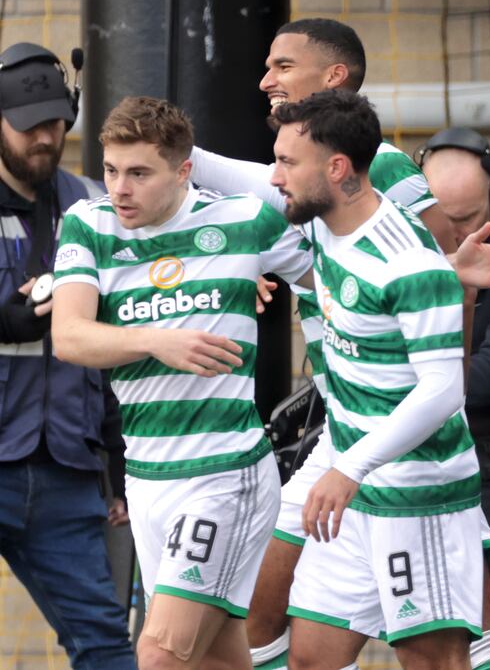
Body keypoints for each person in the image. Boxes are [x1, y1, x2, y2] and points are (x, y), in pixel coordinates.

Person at [186, 19, 490, 670]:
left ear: (333, 77)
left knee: (460, 642)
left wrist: (456, 281)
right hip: (348, 429)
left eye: (282, 66)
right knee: (270, 615)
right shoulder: (301, 188)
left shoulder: (379, 175)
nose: (264, 81)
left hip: (410, 441)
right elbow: (254, 212)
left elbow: (424, 275)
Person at [51, 96, 316, 670]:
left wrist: (444, 272)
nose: (120, 188)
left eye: (139, 173)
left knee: (159, 652)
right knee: (217, 658)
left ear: (183, 170)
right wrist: (155, 339)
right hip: (146, 477)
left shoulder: (242, 220)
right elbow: (69, 337)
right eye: (111, 170)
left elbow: (348, 278)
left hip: (224, 474)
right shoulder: (88, 224)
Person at [269, 89, 485, 670]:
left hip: (419, 492)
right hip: (354, 484)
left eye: (287, 163)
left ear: (337, 169)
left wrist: (347, 468)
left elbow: (443, 391)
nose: (273, 175)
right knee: (309, 659)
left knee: (435, 662)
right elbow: (235, 182)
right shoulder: (319, 224)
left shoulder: (409, 263)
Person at [0, 41, 136, 670]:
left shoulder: (91, 204)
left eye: (56, 122)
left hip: (65, 470)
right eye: (28, 127)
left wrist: (119, 464)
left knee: (107, 646)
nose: (45, 139)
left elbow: (113, 347)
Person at [419, 127, 490, 650]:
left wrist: (403, 381)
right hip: (434, 460)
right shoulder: (412, 256)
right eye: (446, 224)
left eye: (470, 221)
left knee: (473, 629)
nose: (459, 238)